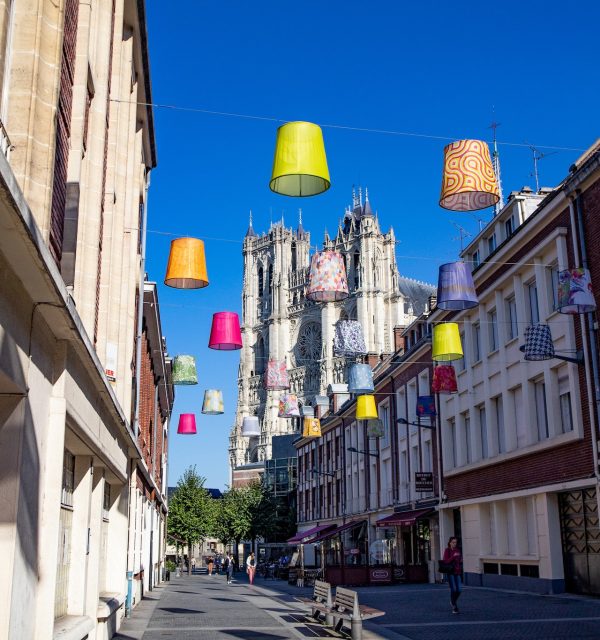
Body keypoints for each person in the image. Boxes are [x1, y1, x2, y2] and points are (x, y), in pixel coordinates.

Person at [442, 536, 463, 614]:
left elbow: (459, 561)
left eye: (455, 542)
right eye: (453, 542)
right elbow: (445, 561)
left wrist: (460, 559)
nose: (454, 544)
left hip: (457, 572)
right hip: (450, 572)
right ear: (450, 543)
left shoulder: (458, 550)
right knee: (453, 589)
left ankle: (452, 601)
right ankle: (454, 606)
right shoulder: (447, 550)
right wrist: (453, 557)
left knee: (459, 590)